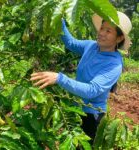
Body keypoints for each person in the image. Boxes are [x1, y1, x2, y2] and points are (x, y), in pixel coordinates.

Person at [30, 11, 132, 145]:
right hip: (75, 108)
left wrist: (60, 78)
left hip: (92, 115)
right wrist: (58, 18)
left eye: (108, 31)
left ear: (119, 39)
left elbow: (92, 90)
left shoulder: (114, 64)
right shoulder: (91, 46)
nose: (101, 33)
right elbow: (71, 42)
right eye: (102, 28)